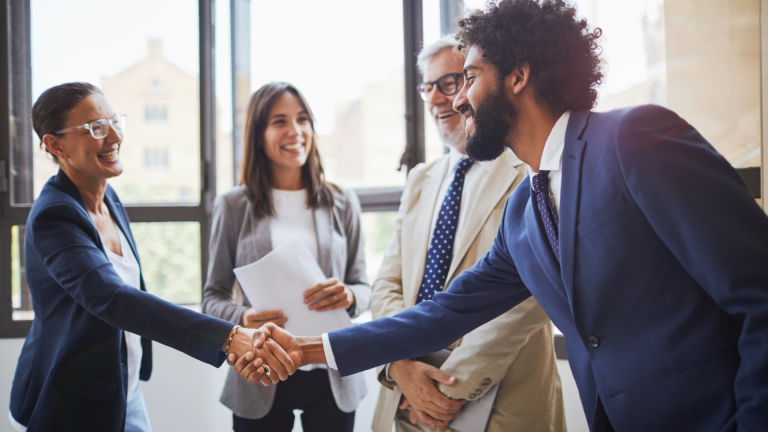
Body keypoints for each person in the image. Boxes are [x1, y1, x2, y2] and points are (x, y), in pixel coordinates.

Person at [233, 1, 768, 431]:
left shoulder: (634, 139)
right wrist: (308, 349)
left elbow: (758, 291)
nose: (457, 99)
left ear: (518, 75)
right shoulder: (523, 211)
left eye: (468, 77)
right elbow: (443, 313)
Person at [8, 83, 289, 432]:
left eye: (114, 121)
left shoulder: (108, 200)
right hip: (69, 399)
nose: (113, 136)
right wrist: (229, 336)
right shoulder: (55, 217)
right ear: (55, 145)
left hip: (122, 390)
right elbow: (114, 299)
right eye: (95, 128)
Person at [370, 35, 565, 432]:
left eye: (451, 82)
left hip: (500, 405)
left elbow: (533, 295)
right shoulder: (421, 179)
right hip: (407, 403)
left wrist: (451, 387)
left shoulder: (527, 168)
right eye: (429, 87)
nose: (439, 99)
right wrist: (400, 363)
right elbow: (387, 284)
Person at [202, 82, 370, 432]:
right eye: (279, 121)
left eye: (302, 119)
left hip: (330, 368)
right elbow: (212, 298)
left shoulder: (342, 201)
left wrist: (352, 295)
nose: (295, 131)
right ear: (259, 135)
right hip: (260, 367)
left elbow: (364, 285)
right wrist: (244, 315)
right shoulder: (233, 206)